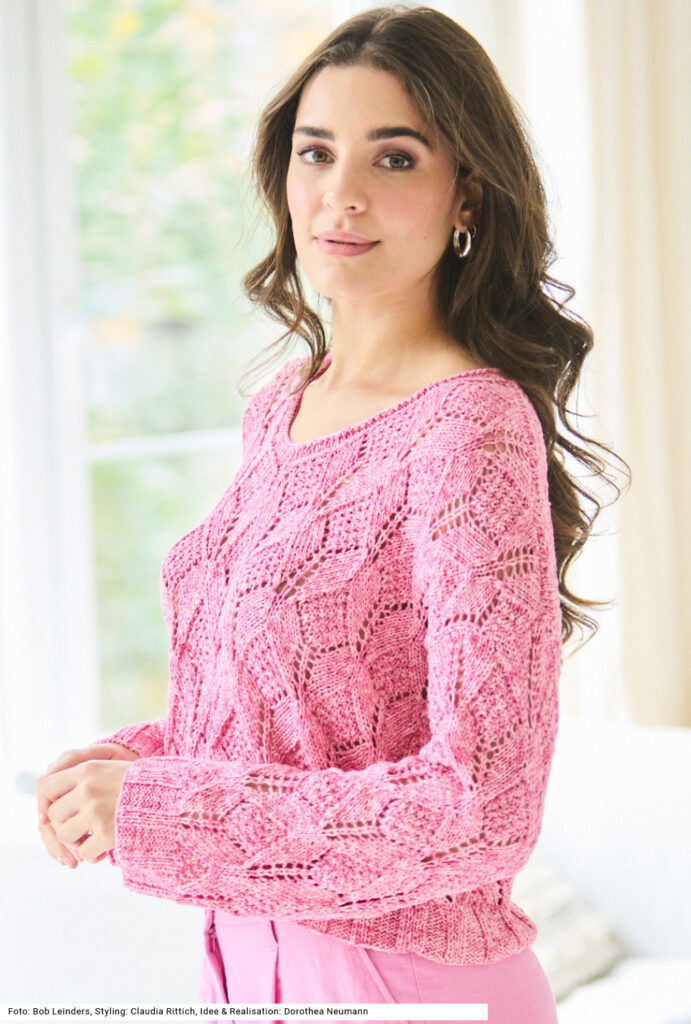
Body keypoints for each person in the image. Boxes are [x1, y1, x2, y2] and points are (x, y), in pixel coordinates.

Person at [36, 5, 629, 1023]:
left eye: (393, 158)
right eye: (316, 152)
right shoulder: (283, 405)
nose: (341, 193)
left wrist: (161, 809)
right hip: (247, 966)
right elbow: (288, 720)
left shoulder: (468, 428)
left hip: (402, 987)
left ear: (466, 194)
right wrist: (140, 762)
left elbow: (482, 808)